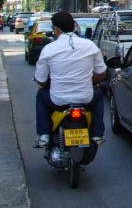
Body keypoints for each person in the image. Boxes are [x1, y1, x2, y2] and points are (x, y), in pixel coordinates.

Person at [34, 11, 107, 148]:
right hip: (85, 97)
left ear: (56, 29)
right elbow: (101, 72)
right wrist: (89, 82)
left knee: (40, 96)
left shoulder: (48, 49)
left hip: (58, 99)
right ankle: (97, 134)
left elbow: (41, 80)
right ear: (74, 27)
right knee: (98, 95)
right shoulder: (89, 45)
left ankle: (44, 135)